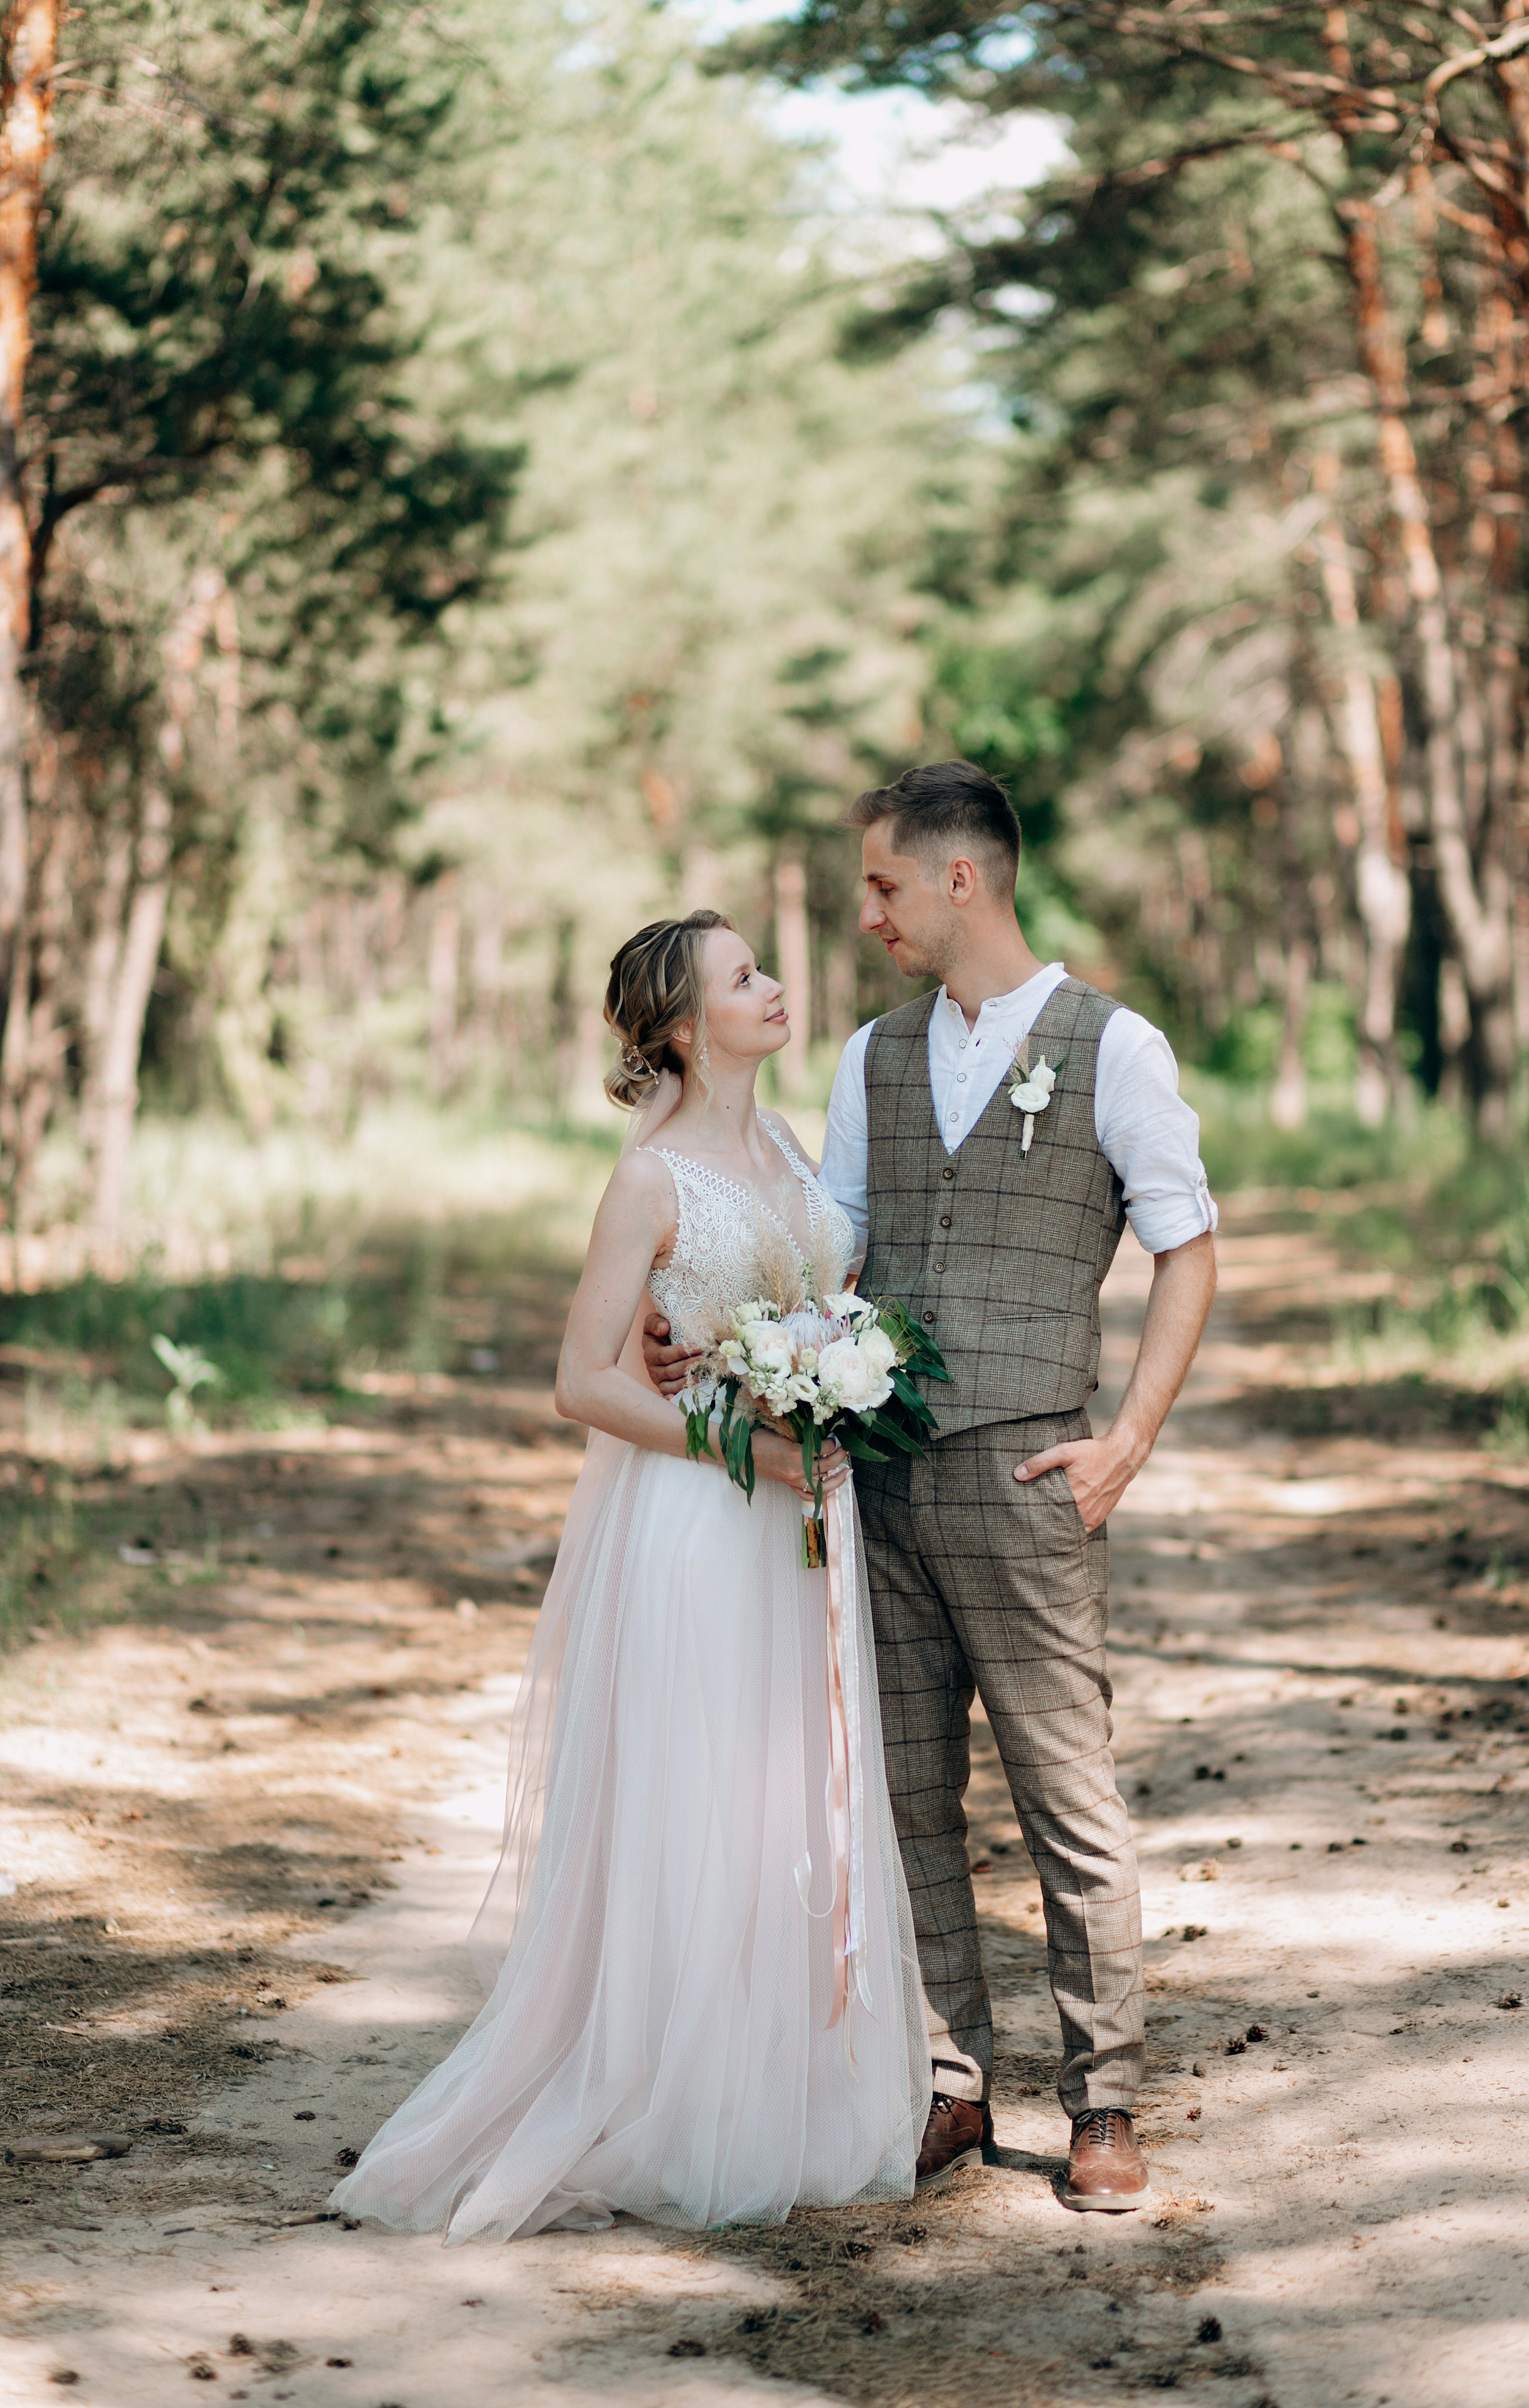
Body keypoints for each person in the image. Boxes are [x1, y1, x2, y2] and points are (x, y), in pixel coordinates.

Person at [645, 763, 1217, 2212]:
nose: (868, 914)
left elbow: (1185, 1246)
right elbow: (824, 1240)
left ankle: (1103, 2103)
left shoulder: (1116, 1047)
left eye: (884, 885)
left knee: (1064, 1799)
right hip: (876, 1488)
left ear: (961, 880)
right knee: (905, 1802)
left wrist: (1127, 1438)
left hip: (1031, 1482)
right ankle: (953, 2083)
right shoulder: (869, 1058)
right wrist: (704, 1317)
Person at [331, 911, 928, 2241]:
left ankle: (785, 2089)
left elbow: (816, 1289)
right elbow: (579, 1378)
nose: (773, 987)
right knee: (702, 1800)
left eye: (761, 969)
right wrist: (736, 1437)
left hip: (799, 1511)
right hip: (704, 1518)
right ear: (678, 1026)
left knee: (792, 1803)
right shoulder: (650, 1180)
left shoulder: (781, 1143)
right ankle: (672, 2094)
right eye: (743, 978)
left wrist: (829, 1379)